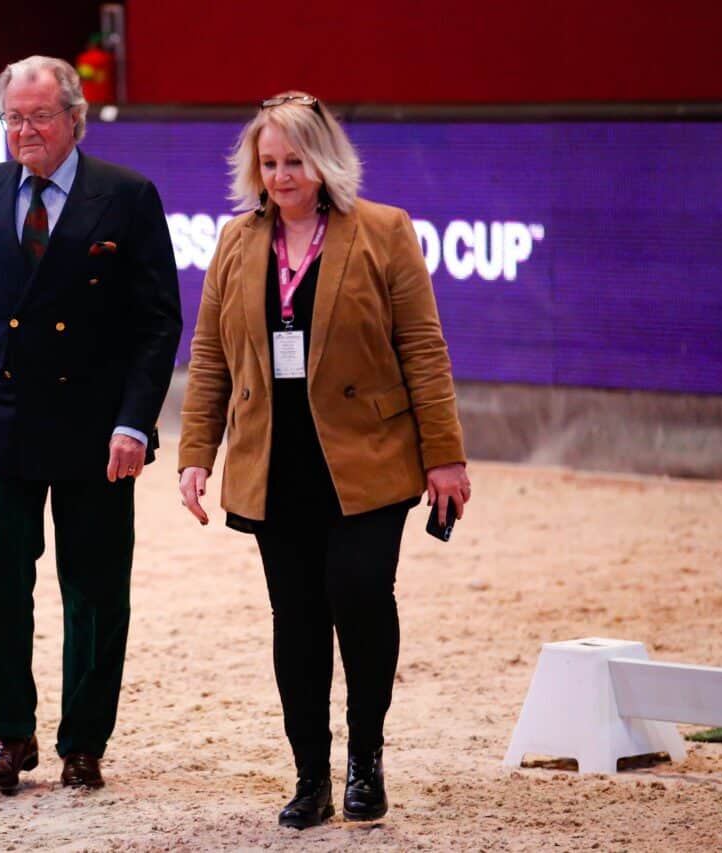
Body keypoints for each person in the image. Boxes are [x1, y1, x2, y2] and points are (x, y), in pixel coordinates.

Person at [178, 92, 469, 828]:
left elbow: (423, 352)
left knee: (362, 596)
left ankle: (364, 760)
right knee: (297, 619)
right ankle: (309, 773)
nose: (280, 176)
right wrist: (195, 454)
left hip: (367, 457)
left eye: (294, 160)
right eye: (268, 162)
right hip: (274, 461)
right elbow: (210, 355)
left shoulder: (384, 232)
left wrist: (445, 458)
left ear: (326, 159)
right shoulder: (237, 241)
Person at [0, 55, 181, 792]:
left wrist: (136, 422)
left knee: (96, 585)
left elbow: (158, 323)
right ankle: (11, 733)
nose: (25, 130)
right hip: (0, 414)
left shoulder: (127, 196)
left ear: (75, 118)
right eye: (13, 117)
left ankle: (83, 740)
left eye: (39, 116)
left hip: (97, 424)